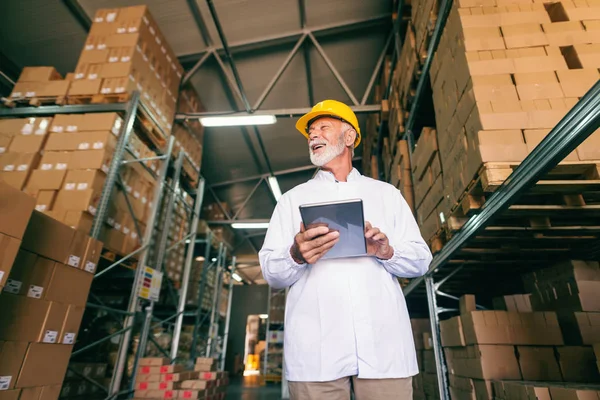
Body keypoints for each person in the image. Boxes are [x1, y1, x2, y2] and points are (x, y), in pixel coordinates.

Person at [258, 100, 433, 400]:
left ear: (349, 137)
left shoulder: (386, 195)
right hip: (316, 355)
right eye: (311, 132)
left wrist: (387, 251)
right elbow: (271, 272)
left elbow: (421, 261)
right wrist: (296, 255)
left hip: (383, 352)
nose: (313, 136)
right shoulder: (291, 201)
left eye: (323, 127)